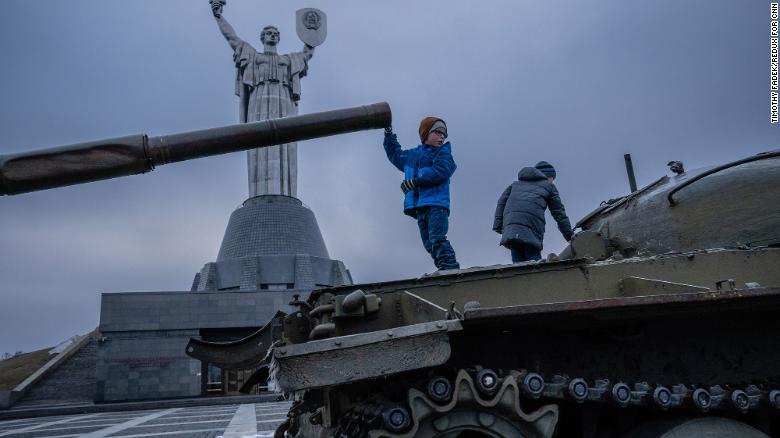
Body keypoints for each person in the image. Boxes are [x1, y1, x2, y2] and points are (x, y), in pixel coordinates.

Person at [211, 1, 316, 197]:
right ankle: (258, 195)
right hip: (259, 101)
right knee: (258, 144)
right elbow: (231, 38)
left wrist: (312, 32)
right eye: (269, 33)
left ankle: (286, 195)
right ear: (262, 37)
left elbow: (308, 53)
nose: (273, 35)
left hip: (284, 101)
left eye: (276, 33)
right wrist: (219, 16)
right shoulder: (252, 56)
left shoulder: (288, 60)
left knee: (287, 145)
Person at [383, 117, 460, 271]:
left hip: (437, 204)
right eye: (437, 132)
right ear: (426, 134)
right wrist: (389, 133)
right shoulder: (412, 156)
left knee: (437, 238)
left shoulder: (444, 154)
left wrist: (416, 182)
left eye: (444, 134)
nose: (442, 137)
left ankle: (451, 269)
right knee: (429, 243)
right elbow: (395, 154)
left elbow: (440, 172)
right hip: (420, 207)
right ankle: (443, 268)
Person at [493, 161, 573, 263]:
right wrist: (569, 236)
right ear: (549, 177)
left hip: (511, 229)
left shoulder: (515, 185)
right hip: (531, 229)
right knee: (534, 264)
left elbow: (501, 204)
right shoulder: (549, 187)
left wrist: (499, 227)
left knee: (518, 267)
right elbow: (559, 214)